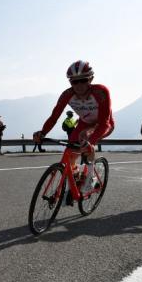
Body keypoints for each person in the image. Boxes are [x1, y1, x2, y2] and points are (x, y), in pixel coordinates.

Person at [34, 60, 114, 195]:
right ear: (70, 82)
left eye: (83, 80)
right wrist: (42, 132)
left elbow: (104, 122)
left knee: (85, 140)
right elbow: (54, 117)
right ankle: (77, 178)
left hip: (102, 124)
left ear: (91, 79)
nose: (79, 85)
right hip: (83, 123)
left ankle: (90, 179)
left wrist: (91, 142)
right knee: (70, 152)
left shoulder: (100, 92)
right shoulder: (67, 95)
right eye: (74, 82)